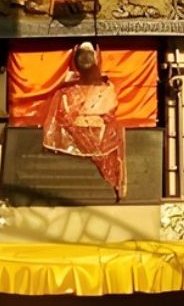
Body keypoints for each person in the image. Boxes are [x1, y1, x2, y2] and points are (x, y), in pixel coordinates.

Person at [41, 41, 126, 199]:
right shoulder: (66, 90)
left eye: (89, 53)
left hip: (100, 137)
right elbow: (64, 114)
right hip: (73, 147)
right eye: (82, 54)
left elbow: (108, 110)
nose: (86, 58)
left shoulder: (107, 88)